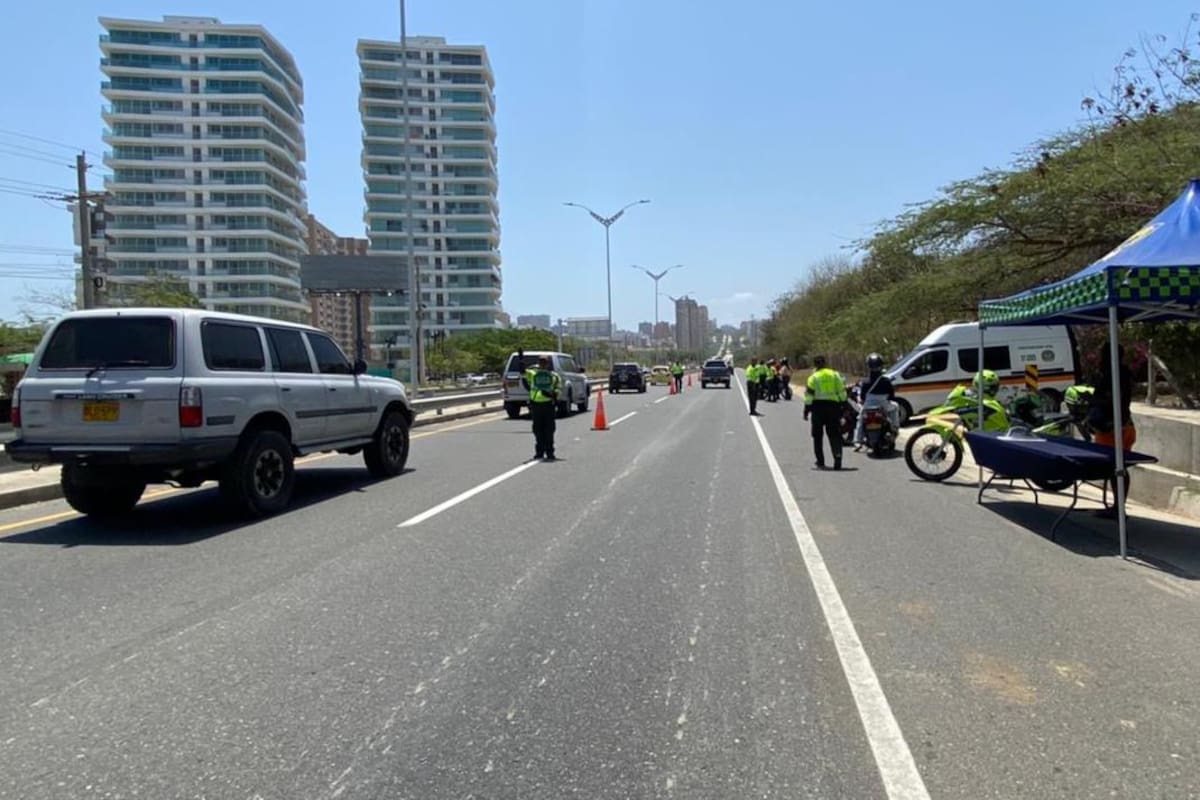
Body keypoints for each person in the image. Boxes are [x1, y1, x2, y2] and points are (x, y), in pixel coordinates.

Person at [1089, 344, 1136, 516]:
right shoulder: (1122, 373)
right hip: (1124, 425)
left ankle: (1118, 508)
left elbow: (1111, 400)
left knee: (1116, 467)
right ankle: (1117, 507)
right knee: (1118, 467)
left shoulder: (1113, 376)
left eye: (1103, 355)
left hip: (1113, 428)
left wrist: (1093, 401)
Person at [804, 355, 848, 469]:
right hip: (833, 407)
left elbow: (809, 396)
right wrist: (843, 404)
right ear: (825, 363)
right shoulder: (834, 375)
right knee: (834, 434)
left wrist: (806, 410)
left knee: (817, 435)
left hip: (818, 408)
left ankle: (820, 461)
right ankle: (837, 457)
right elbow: (841, 391)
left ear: (815, 365)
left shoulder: (813, 377)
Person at [853, 352, 899, 449]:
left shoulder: (865, 382)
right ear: (881, 365)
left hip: (867, 406)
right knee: (895, 407)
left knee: (860, 420)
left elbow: (862, 397)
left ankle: (858, 441)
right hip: (883, 406)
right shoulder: (886, 381)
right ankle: (894, 428)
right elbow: (891, 396)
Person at [521, 355, 561, 461]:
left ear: (548, 363)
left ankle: (550, 452)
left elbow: (558, 389)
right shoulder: (533, 373)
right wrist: (521, 362)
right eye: (541, 362)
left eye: (544, 362)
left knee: (549, 430)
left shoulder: (554, 376)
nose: (542, 364)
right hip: (536, 405)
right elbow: (523, 373)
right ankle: (539, 452)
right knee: (537, 430)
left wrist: (552, 394)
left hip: (548, 405)